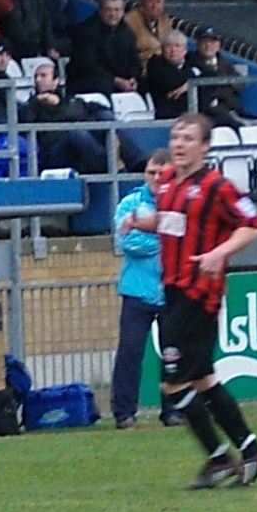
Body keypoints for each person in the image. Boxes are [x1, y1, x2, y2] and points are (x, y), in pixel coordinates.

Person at [148, 111, 257, 488]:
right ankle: (252, 451)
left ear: (205, 146)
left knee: (173, 384)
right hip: (172, 289)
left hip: (198, 293)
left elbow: (252, 225)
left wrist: (220, 253)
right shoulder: (167, 181)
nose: (179, 144)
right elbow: (172, 224)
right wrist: (141, 222)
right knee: (202, 379)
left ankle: (219, 458)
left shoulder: (218, 186)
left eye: (188, 138)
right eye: (175, 137)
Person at [110, 149, 170, 430]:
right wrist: (167, 238)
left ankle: (174, 410)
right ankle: (124, 413)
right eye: (151, 172)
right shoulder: (131, 202)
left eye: (161, 173)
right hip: (136, 290)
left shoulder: (180, 202)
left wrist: (148, 231)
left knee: (173, 354)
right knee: (130, 353)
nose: (155, 178)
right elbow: (128, 243)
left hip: (171, 289)